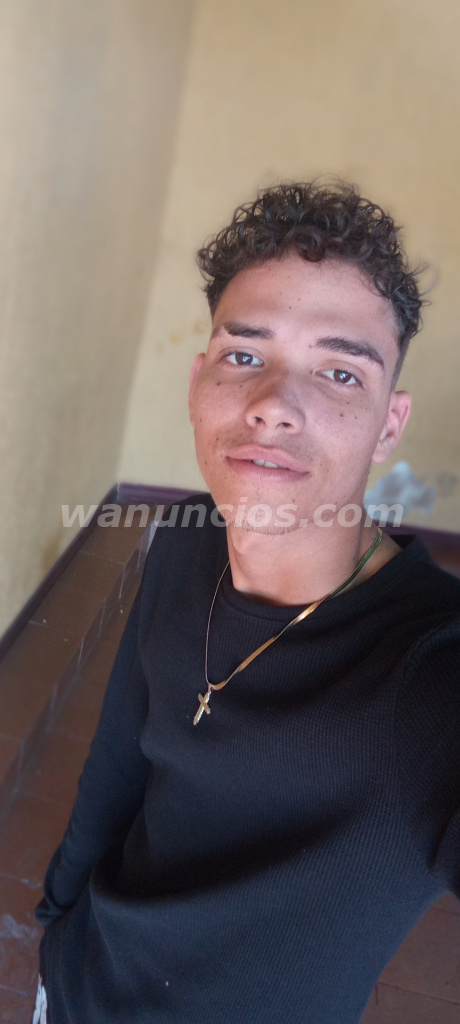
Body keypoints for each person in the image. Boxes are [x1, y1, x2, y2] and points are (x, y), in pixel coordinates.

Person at [33, 182, 460, 1024]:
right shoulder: (184, 541)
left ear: (389, 424)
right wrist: (57, 922)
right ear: (198, 383)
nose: (272, 407)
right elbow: (118, 757)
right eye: (243, 355)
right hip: (76, 986)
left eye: (340, 372)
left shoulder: (428, 671)